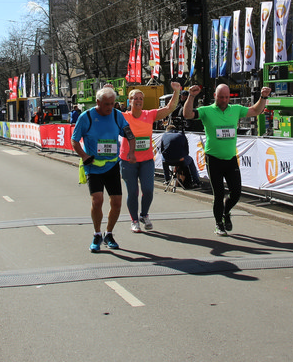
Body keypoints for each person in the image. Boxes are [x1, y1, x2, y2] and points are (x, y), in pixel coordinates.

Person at [182, 83, 272, 235]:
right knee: (218, 194)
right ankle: (219, 224)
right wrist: (191, 96)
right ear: (215, 96)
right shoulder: (206, 110)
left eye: (226, 97)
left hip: (230, 158)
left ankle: (226, 211)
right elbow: (187, 114)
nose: (224, 100)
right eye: (221, 97)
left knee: (236, 193)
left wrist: (263, 97)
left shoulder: (235, 109)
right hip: (213, 159)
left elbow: (256, 110)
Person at [72, 87, 134, 252]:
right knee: (97, 200)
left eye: (112, 103)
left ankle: (109, 233)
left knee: (117, 202)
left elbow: (130, 134)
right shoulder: (86, 117)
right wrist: (84, 156)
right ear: (98, 102)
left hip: (112, 165)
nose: (110, 107)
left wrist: (132, 152)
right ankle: (97, 233)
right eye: (106, 104)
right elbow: (74, 141)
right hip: (93, 166)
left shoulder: (117, 115)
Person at [121, 83, 183, 232]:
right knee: (133, 192)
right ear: (130, 101)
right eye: (135, 98)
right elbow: (107, 111)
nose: (138, 101)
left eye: (140, 98)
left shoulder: (149, 115)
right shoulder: (123, 117)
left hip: (147, 160)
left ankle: (144, 215)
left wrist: (176, 91)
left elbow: (169, 108)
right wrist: (107, 90)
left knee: (148, 190)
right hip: (128, 160)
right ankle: (134, 220)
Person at [159, 123, 201, 189]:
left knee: (163, 159)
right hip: (180, 160)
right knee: (191, 160)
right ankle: (196, 181)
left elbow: (162, 150)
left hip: (167, 160)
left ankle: (167, 179)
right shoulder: (181, 135)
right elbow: (186, 150)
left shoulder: (164, 135)